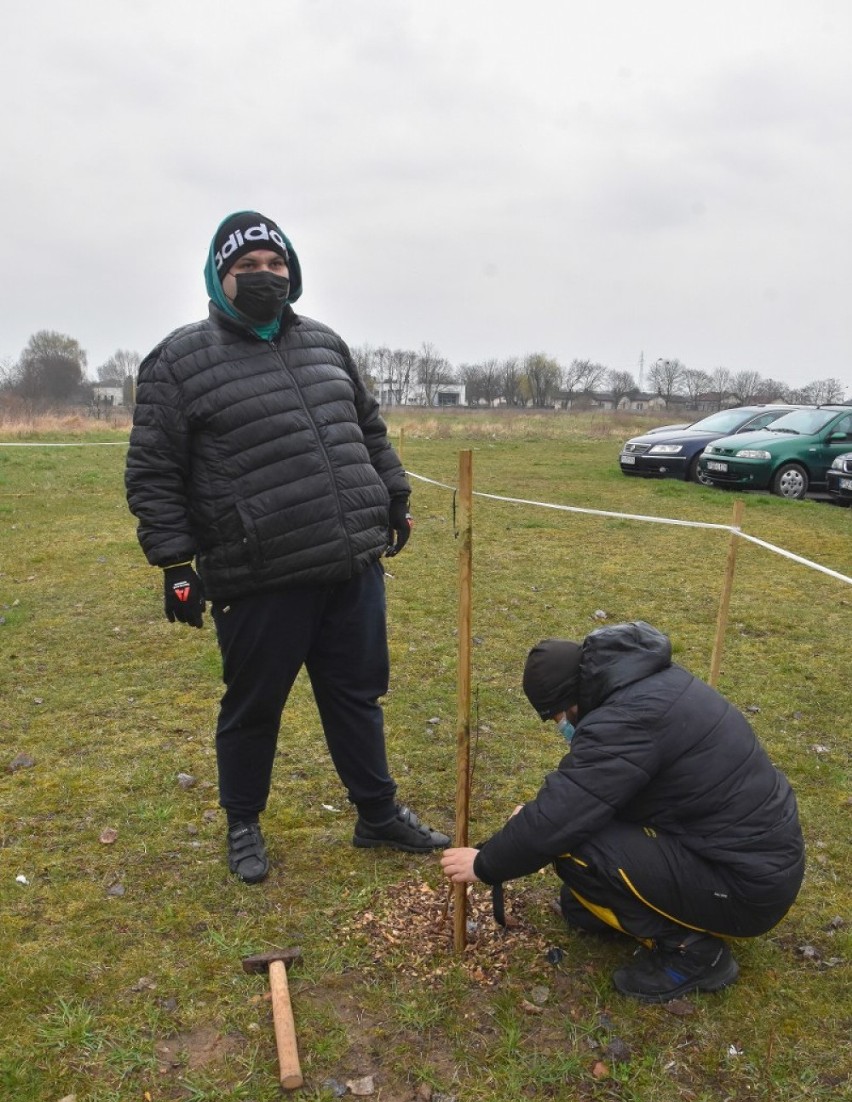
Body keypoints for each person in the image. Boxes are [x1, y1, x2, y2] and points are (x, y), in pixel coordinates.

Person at [126, 209, 449, 884]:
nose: (265, 276)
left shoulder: (326, 345)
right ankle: (243, 823)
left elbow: (368, 429)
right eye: (247, 268)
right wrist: (175, 565)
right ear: (220, 278)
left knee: (358, 695)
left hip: (350, 562)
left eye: (275, 264)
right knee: (253, 708)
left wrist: (394, 497)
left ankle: (377, 812)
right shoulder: (179, 361)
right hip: (259, 573)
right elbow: (154, 471)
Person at [441, 621, 805, 1003]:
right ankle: (634, 911)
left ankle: (695, 955)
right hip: (753, 862)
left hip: (745, 890)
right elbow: (610, 792)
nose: (562, 728)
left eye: (558, 719)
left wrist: (485, 863)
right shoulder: (651, 684)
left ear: (573, 700)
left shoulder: (628, 720)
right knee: (578, 870)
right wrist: (536, 819)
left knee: (574, 846)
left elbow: (562, 818)